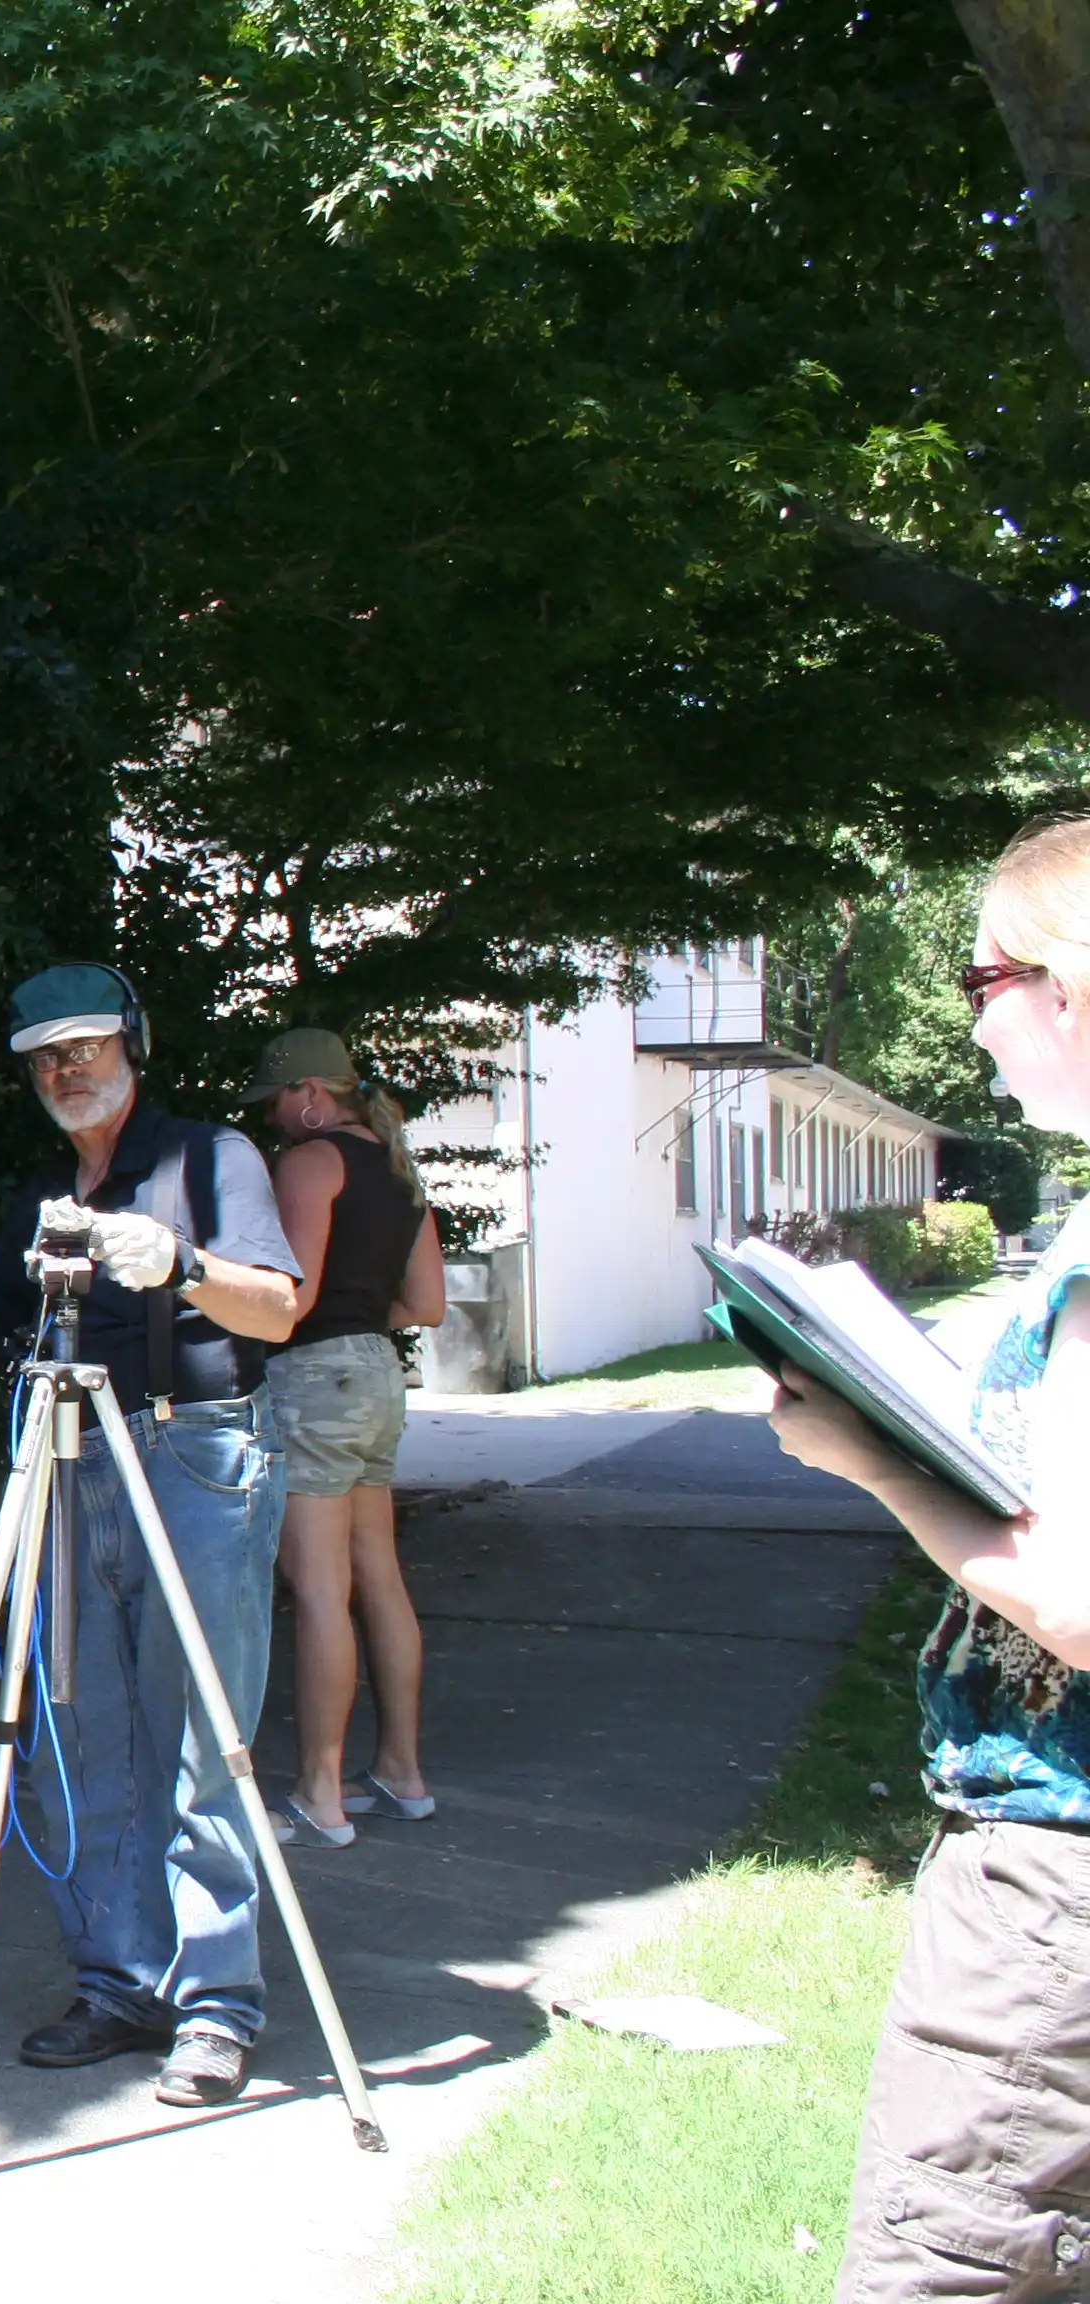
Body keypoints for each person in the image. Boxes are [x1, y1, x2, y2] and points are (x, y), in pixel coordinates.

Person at [768, 815, 1090, 2304]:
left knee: (941, 2269)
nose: (972, 1014)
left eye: (981, 972)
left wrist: (874, 1457)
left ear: (1067, 987)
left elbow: (1077, 1602)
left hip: (1052, 1891)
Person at [0, 963, 304, 2106]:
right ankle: (121, 1984)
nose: (65, 1071)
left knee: (200, 1737)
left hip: (197, 1455)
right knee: (77, 1731)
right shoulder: (38, 1200)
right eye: (44, 1058)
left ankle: (216, 2007)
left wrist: (183, 1264)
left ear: (131, 1042)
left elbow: (278, 1305)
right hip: (72, 1462)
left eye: (84, 1047)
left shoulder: (211, 1159)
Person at [245, 1027, 446, 1850]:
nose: (276, 1123)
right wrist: (362, 1328)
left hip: (314, 1381)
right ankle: (401, 1772)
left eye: (280, 1105)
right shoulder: (400, 1171)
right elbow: (427, 1306)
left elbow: (289, 1296)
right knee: (380, 1580)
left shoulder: (311, 1162)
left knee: (321, 1590)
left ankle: (320, 1794)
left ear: (315, 1096)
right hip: (377, 1374)